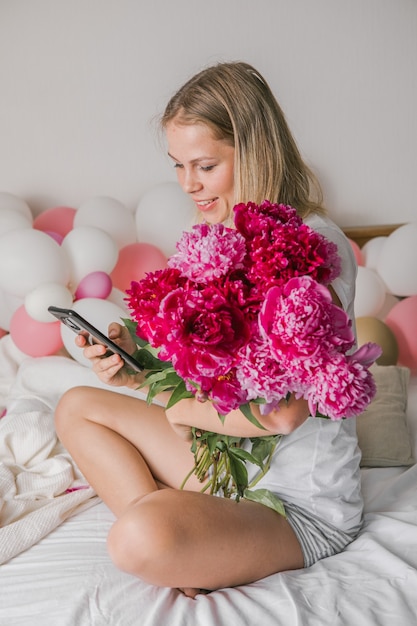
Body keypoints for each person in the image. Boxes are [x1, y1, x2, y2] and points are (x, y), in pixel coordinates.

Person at [54, 61, 361, 598]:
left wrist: (171, 408)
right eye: (178, 166)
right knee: (76, 405)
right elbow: (215, 377)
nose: (188, 184)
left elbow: (283, 413)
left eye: (205, 165)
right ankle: (192, 550)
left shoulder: (311, 245)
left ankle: (185, 546)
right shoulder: (219, 234)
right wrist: (140, 369)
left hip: (293, 502)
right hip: (225, 461)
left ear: (254, 150)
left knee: (135, 538)